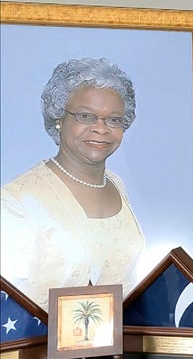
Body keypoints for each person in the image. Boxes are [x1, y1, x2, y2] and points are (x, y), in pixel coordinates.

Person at [0, 57, 145, 311]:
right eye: (86, 116)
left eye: (113, 119)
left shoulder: (116, 184)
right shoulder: (17, 200)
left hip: (119, 343)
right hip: (41, 346)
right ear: (59, 118)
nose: (101, 128)